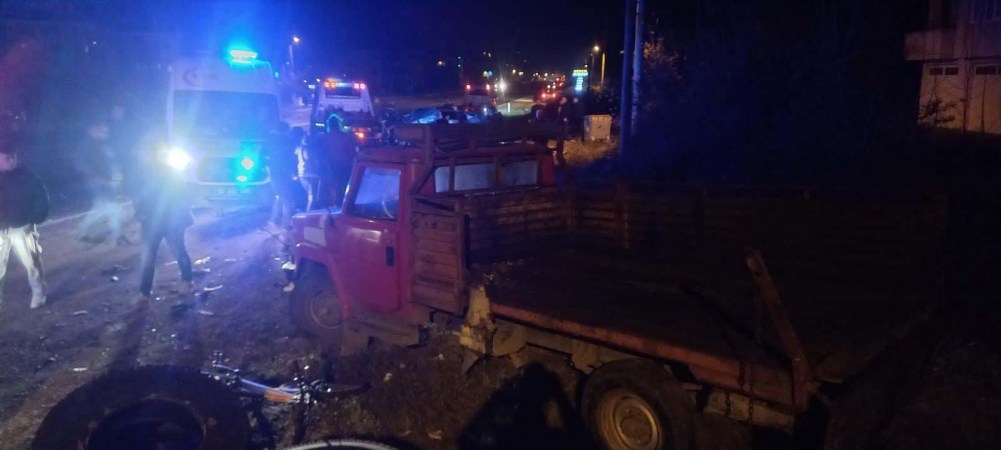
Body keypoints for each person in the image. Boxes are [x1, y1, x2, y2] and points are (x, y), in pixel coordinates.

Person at [134, 155, 194, 299]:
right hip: (158, 222)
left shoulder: (162, 175)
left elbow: (183, 198)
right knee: (173, 252)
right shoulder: (158, 175)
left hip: (165, 222)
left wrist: (140, 213)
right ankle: (145, 292)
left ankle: (145, 292)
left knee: (163, 254)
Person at [0, 145, 49, 311]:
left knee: (31, 262)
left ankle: (39, 293)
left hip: (21, 226)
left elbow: (41, 199)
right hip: (1, 227)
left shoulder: (27, 177)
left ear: (11, 158)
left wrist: (33, 220)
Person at [75, 119, 125, 244]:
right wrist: (95, 176)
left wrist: (117, 175)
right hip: (99, 183)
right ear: (93, 130)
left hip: (108, 181)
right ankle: (118, 236)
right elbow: (80, 163)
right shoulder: (87, 145)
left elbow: (112, 162)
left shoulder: (104, 145)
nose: (105, 132)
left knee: (99, 210)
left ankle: (82, 233)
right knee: (113, 208)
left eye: (105, 130)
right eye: (101, 130)